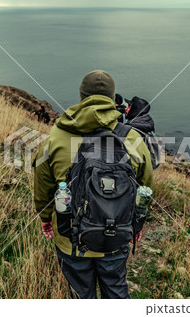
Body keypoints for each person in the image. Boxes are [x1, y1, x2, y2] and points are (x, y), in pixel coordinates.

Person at [33, 70, 153, 299]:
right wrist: (137, 223)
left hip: (71, 239)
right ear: (112, 98)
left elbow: (43, 188)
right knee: (116, 292)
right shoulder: (133, 138)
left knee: (80, 296)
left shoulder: (56, 137)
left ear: (81, 96)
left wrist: (46, 217)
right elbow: (146, 187)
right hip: (116, 235)